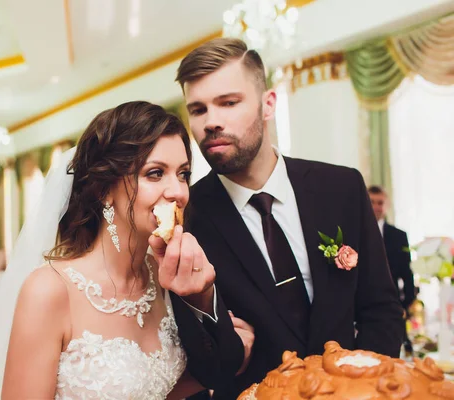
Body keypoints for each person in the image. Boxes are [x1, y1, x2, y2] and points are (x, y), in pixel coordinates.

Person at [151, 38, 404, 399]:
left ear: (268, 104)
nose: (211, 122)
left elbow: (382, 310)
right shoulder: (188, 217)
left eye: (228, 103)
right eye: (198, 109)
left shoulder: (341, 186)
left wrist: (360, 389)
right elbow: (204, 364)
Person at [0, 101, 253, 399]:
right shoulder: (48, 290)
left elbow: (161, 388)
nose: (178, 192)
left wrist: (228, 348)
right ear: (103, 189)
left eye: (182, 174)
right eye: (155, 173)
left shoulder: (163, 276)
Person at [368, 184, 415, 352]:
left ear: (386, 206)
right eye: (372, 201)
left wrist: (406, 303)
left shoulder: (399, 235)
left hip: (392, 304)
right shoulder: (353, 232)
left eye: (380, 203)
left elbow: (407, 273)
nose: (376, 207)